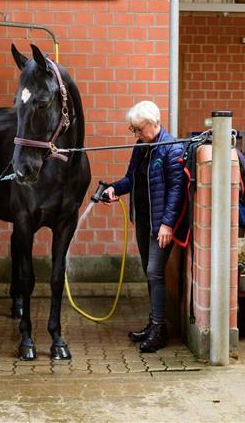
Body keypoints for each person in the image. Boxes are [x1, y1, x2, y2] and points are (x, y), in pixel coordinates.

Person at [103, 100, 187, 353]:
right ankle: (153, 323)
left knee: (154, 272)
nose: (137, 135)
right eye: (134, 130)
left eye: (139, 129)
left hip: (159, 225)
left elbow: (176, 190)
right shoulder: (141, 147)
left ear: (155, 123)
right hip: (142, 220)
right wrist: (114, 189)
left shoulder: (171, 149)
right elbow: (131, 178)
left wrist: (167, 225)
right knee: (149, 273)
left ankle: (160, 330)